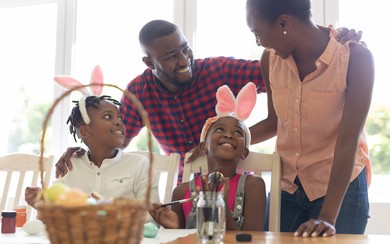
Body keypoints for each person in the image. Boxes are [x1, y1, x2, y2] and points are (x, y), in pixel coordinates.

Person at [55, 19, 361, 184]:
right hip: (187, 187)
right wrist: (84, 148)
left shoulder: (218, 70)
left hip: (237, 184)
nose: (184, 60)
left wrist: (328, 39)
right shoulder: (139, 91)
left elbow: (282, 67)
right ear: (149, 62)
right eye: (171, 57)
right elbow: (117, 139)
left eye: (185, 49)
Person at [246, 0, 374, 237]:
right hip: (287, 185)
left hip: (339, 189)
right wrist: (234, 139)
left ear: (284, 22)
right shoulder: (270, 59)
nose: (259, 41)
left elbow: (347, 142)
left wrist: (327, 217)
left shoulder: (355, 58)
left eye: (257, 32)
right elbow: (275, 121)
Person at [149, 82, 266, 231]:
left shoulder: (253, 185)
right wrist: (174, 228)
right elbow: (180, 241)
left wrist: (219, 205)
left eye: (237, 132)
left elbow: (251, 242)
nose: (228, 135)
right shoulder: (181, 191)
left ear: (244, 152)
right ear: (203, 147)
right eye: (220, 129)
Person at [25, 93, 160, 210]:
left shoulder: (140, 165)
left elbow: (151, 217)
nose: (119, 122)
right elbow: (57, 218)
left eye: (120, 118)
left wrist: (110, 210)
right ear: (86, 131)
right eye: (108, 117)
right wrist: (44, 205)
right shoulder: (70, 165)